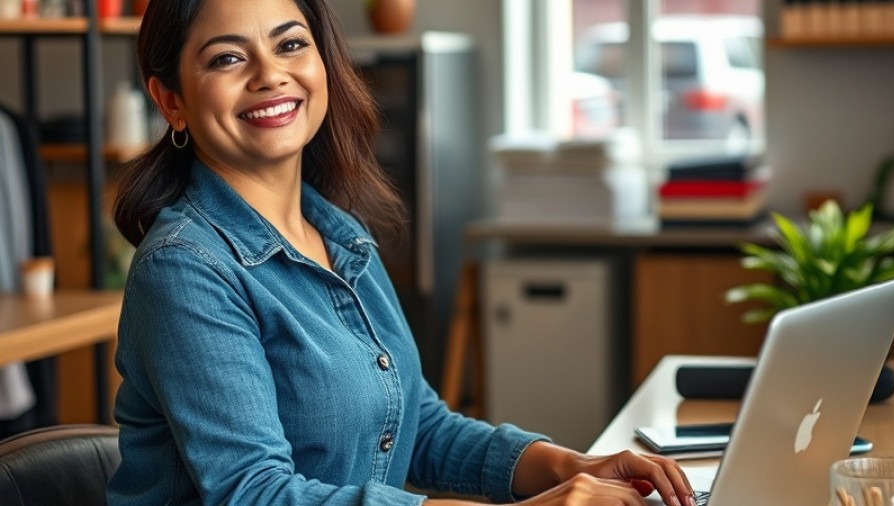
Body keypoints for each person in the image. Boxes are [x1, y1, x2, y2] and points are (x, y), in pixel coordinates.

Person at [107, 0, 696, 505]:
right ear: (171, 100)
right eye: (227, 58)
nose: (270, 74)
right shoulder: (186, 269)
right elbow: (255, 493)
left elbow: (416, 426)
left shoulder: (338, 233)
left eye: (290, 44)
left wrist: (574, 467)